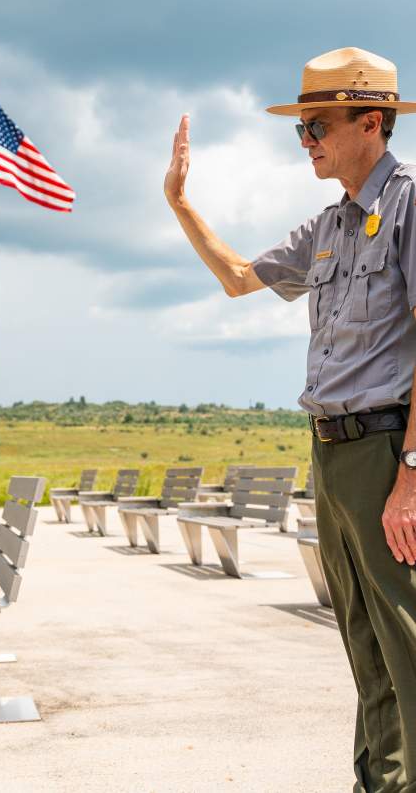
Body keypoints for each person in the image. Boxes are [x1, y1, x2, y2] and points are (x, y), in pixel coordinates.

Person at [164, 47, 416, 792]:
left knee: (405, 637)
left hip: (384, 449)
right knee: (364, 643)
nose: (305, 142)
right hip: (331, 451)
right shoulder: (332, 223)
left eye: (316, 126)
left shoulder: (407, 205)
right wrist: (180, 202)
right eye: (298, 130)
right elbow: (241, 278)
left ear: (370, 123)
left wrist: (410, 474)